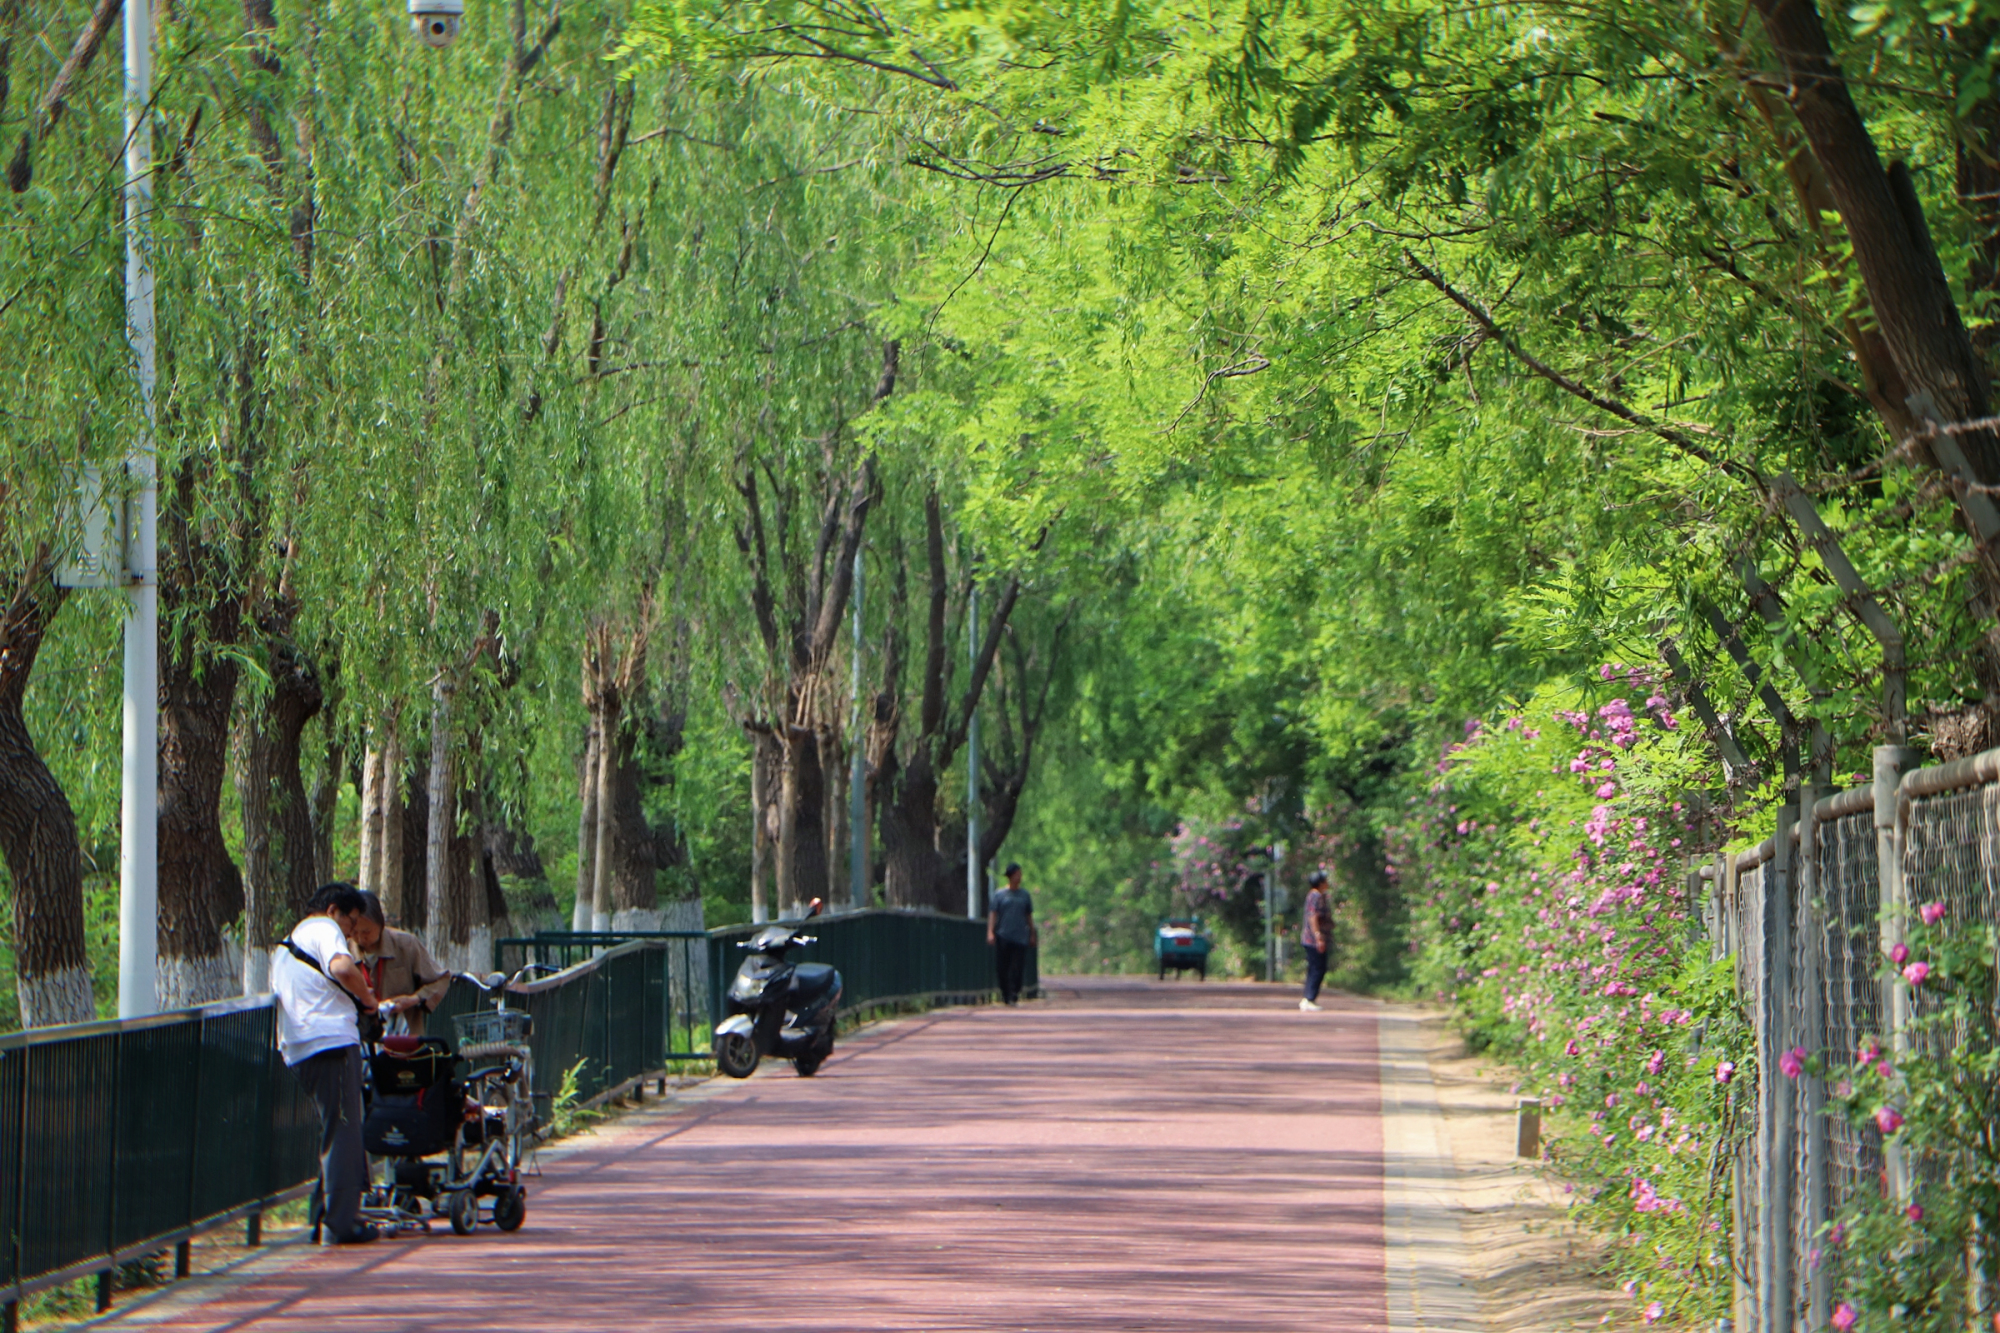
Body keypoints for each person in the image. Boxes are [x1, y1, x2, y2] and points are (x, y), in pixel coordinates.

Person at [272, 881, 383, 1244]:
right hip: (330, 1042)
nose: (350, 933)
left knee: (334, 1127)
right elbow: (342, 968)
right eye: (351, 924)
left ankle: (323, 1215)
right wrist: (368, 999)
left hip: (299, 1046)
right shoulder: (323, 928)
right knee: (346, 1130)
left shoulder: (287, 946)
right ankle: (341, 1222)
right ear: (334, 909)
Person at [354, 889, 453, 1036]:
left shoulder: (406, 944)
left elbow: (440, 979)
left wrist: (413, 999)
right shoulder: (343, 950)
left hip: (405, 1038)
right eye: (355, 932)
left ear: (380, 923)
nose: (361, 938)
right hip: (362, 1038)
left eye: (366, 931)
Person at [987, 862, 1036, 1005]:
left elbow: (1029, 916)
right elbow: (993, 914)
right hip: (1003, 935)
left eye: (1020, 874)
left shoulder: (1025, 895)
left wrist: (1032, 933)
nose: (1019, 877)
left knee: (1018, 967)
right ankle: (1006, 994)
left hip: (1020, 936)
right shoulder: (999, 895)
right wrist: (990, 932)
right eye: (1017, 874)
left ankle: (1014, 992)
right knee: (1003, 967)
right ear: (1010, 876)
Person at [1299, 869, 1334, 1012]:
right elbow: (1313, 917)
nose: (1327, 883)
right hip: (1313, 940)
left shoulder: (1316, 896)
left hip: (1312, 939)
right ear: (1320, 883)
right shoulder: (1316, 896)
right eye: (1325, 880)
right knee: (1318, 968)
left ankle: (1308, 997)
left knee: (1315, 968)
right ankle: (1309, 998)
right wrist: (1318, 937)